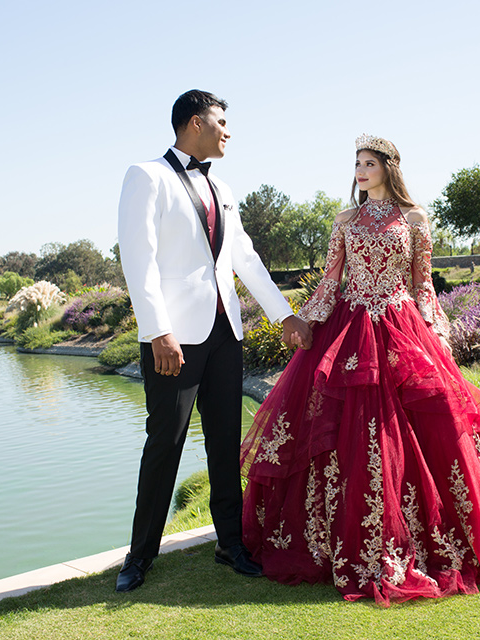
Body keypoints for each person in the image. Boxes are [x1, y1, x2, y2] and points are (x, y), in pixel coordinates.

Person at [240, 134, 480, 604]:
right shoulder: (345, 220)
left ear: (389, 167)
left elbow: (423, 285)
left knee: (432, 423)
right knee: (350, 432)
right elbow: (330, 282)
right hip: (351, 330)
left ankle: (437, 536)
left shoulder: (416, 220)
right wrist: (306, 322)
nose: (360, 170)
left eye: (369, 162)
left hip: (403, 329)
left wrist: (438, 333)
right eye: (357, 163)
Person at [116, 90, 312, 593]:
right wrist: (157, 329)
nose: (228, 131)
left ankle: (231, 543)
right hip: (173, 338)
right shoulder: (146, 177)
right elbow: (139, 259)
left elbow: (243, 257)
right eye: (222, 122)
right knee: (166, 443)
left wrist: (284, 315)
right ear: (194, 122)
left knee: (225, 442)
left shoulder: (222, 187)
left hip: (227, 333)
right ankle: (139, 557)